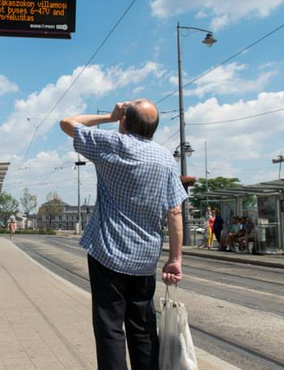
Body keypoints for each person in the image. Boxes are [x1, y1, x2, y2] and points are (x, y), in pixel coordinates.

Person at [60, 99, 186, 370]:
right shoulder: (166, 159)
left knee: (110, 328)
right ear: (153, 129)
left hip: (108, 252)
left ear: (124, 122)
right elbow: (174, 212)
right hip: (145, 258)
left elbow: (67, 123)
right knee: (142, 327)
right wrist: (175, 258)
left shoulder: (112, 144)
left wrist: (109, 115)